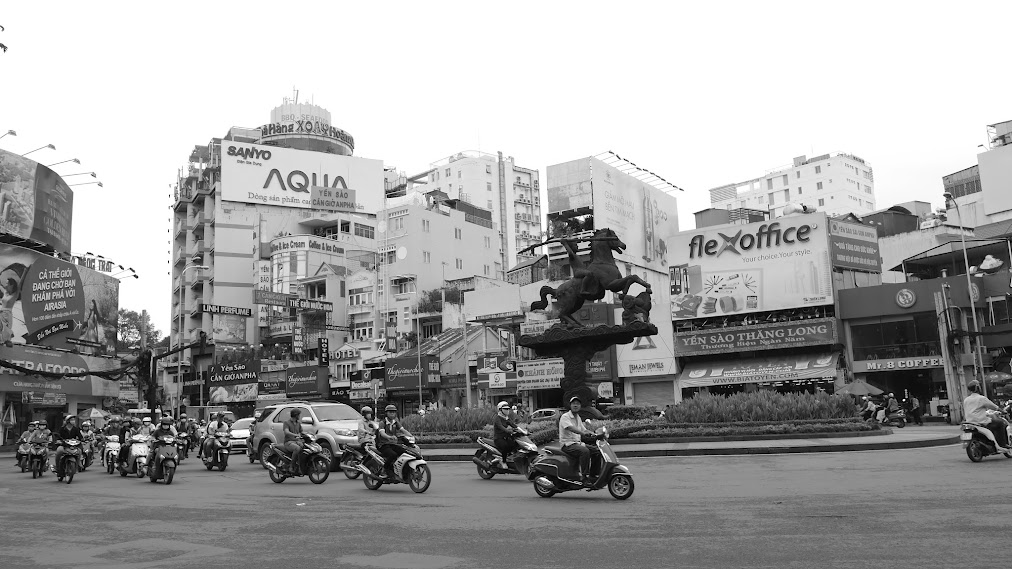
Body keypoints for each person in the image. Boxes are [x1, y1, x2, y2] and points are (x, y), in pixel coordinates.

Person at [558, 396, 600, 482]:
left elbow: (584, 430)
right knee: (585, 451)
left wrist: (594, 433)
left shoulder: (578, 417)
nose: (575, 405)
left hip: (577, 443)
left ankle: (593, 475)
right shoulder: (565, 417)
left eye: (577, 404)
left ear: (580, 406)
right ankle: (584, 476)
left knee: (597, 451)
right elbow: (570, 428)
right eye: (573, 403)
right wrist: (582, 433)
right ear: (570, 405)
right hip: (567, 445)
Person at [963, 379, 1010, 449]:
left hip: (969, 422)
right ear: (978, 388)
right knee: (1000, 423)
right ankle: (1002, 444)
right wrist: (1003, 411)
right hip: (981, 422)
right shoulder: (981, 398)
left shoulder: (966, 400)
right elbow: (994, 407)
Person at [377, 404, 409, 478]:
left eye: (393, 412)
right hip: (383, 445)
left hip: (392, 444)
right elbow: (382, 433)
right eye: (390, 412)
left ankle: (400, 470)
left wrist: (411, 436)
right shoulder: (382, 423)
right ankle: (384, 470)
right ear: (386, 413)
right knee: (393, 455)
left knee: (404, 452)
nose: (392, 414)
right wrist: (389, 437)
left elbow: (403, 430)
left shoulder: (395, 422)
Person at [491, 401, 519, 468]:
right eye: (505, 409)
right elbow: (501, 427)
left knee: (515, 444)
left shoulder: (506, 418)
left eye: (508, 409)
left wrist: (523, 431)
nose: (507, 410)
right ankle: (503, 462)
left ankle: (510, 459)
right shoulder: (497, 418)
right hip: (498, 439)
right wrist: (509, 431)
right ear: (500, 409)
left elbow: (513, 425)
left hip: (505, 437)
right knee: (505, 446)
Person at [283, 408, 305, 474]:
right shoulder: (286, 423)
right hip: (288, 442)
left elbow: (301, 432)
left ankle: (301, 466)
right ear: (296, 415)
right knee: (297, 448)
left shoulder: (298, 423)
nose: (300, 416)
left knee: (304, 447)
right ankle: (291, 466)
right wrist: (295, 435)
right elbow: (286, 432)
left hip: (297, 441)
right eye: (299, 415)